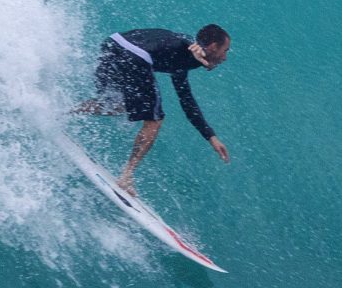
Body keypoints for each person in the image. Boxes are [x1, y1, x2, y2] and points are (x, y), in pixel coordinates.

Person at [73, 24, 231, 195]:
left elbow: (186, 100)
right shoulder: (187, 46)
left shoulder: (181, 59)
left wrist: (210, 136)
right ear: (213, 47)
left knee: (116, 106)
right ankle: (127, 175)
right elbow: (184, 41)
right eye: (225, 50)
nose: (225, 57)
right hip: (135, 55)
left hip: (112, 45)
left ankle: (65, 111)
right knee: (154, 120)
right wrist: (194, 46)